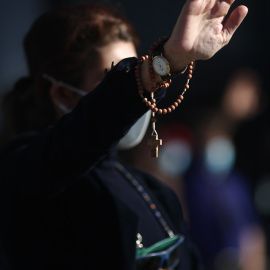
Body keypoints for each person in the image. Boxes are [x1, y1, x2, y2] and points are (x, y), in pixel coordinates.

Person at [0, 1, 248, 269]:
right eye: (114, 77)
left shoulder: (152, 190)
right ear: (64, 94)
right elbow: (74, 141)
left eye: (134, 67)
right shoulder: (25, 174)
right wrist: (163, 63)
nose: (133, 83)